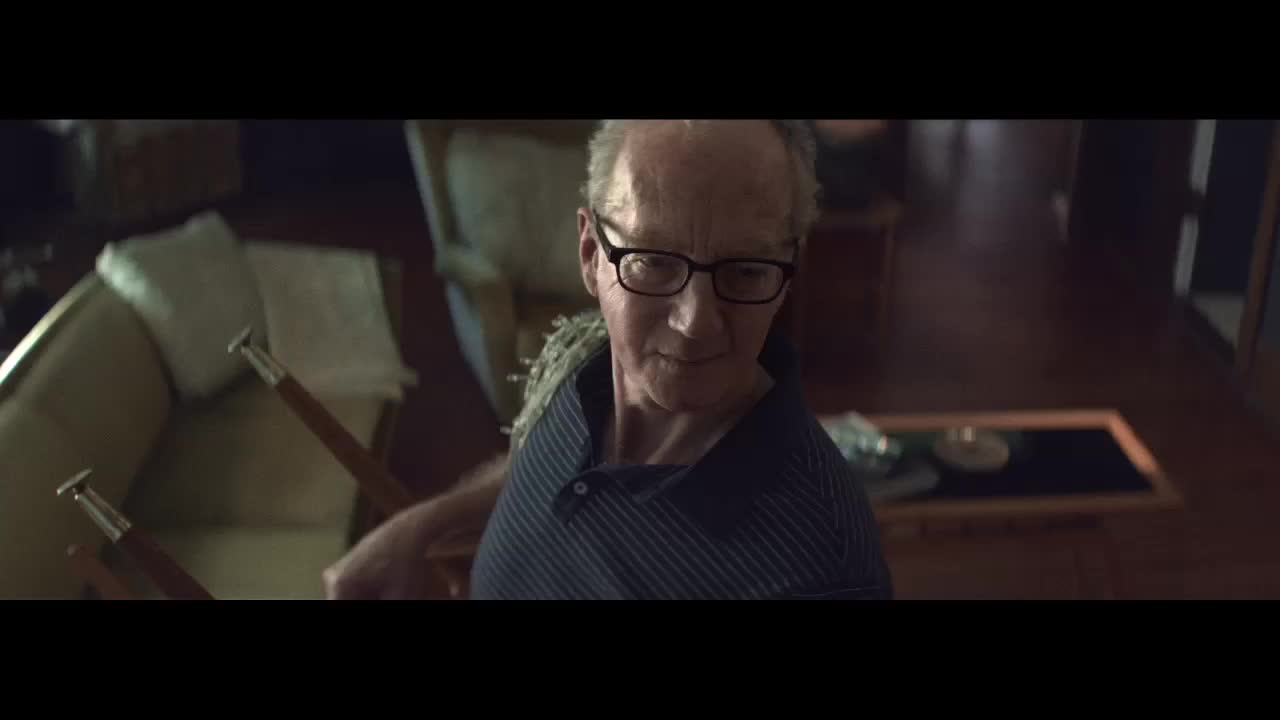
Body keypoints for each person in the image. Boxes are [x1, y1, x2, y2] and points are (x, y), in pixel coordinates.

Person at [324, 120, 893, 600]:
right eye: (653, 261)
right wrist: (422, 526)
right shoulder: (574, 358)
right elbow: (537, 463)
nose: (694, 322)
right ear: (591, 254)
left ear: (786, 275)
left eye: (745, 270)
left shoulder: (822, 568)